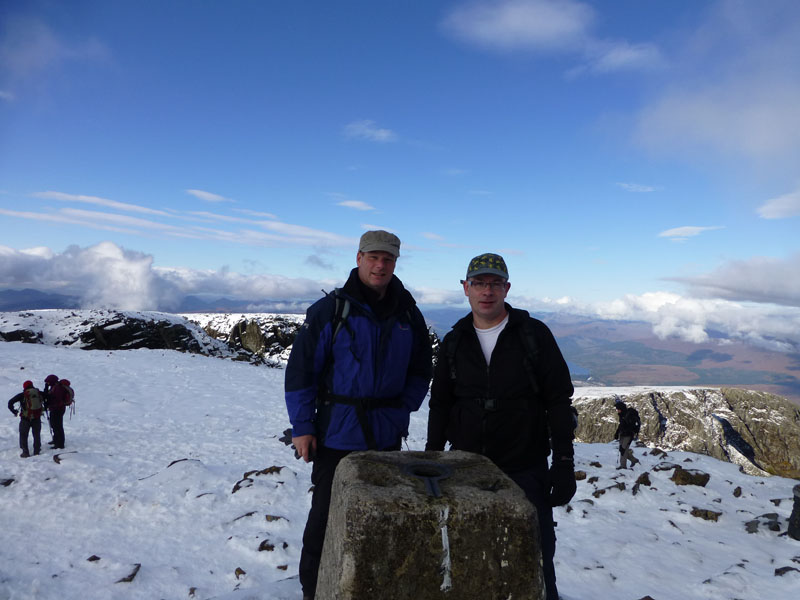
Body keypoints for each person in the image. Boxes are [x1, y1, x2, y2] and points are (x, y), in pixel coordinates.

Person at [285, 230, 433, 600]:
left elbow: (420, 369)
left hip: (386, 435)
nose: (380, 265)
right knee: (324, 520)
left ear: (396, 263)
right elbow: (302, 373)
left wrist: (404, 406)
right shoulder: (331, 310)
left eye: (388, 259)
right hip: (336, 434)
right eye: (373, 257)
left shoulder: (408, 314)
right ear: (359, 258)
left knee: (386, 516)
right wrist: (302, 427)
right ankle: (314, 592)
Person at [426, 253, 576, 600]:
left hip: (525, 466)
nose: (487, 291)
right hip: (465, 468)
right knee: (468, 553)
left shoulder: (533, 335)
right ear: (465, 289)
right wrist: (433, 458)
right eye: (479, 283)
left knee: (535, 555)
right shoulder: (455, 341)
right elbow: (441, 404)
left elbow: (558, 401)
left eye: (495, 283)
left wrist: (564, 464)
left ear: (507, 288)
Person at [7, 380, 44, 458]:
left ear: (24, 387)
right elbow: (48, 397)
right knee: (36, 435)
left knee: (23, 435)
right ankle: (37, 451)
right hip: (36, 417)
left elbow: (10, 402)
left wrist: (14, 411)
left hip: (25, 418)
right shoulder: (38, 393)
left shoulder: (23, 395)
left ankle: (25, 452)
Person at [43, 373, 71, 449]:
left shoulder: (58, 388)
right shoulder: (54, 387)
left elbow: (56, 399)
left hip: (58, 409)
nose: (47, 383)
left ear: (52, 381)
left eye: (48, 382)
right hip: (55, 409)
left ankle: (60, 444)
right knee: (54, 425)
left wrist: (49, 404)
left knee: (57, 426)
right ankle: (56, 440)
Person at [613, 398, 640, 469]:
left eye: (618, 409)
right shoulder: (622, 415)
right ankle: (634, 460)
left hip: (628, 435)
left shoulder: (628, 416)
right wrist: (617, 433)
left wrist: (627, 432)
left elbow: (630, 426)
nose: (617, 411)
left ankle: (623, 466)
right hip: (623, 435)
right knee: (622, 449)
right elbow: (621, 425)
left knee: (623, 450)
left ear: (621, 409)